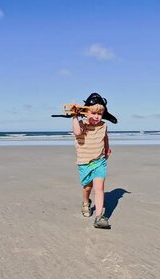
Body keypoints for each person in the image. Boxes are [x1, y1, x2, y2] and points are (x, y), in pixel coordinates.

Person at [71, 93, 117, 229]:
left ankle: (99, 217)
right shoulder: (82, 124)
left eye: (100, 114)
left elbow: (105, 138)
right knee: (87, 187)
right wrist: (74, 116)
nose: (97, 116)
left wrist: (107, 149)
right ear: (86, 112)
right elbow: (77, 133)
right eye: (93, 113)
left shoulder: (103, 126)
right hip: (84, 162)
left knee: (99, 187)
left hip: (99, 161)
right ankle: (86, 202)